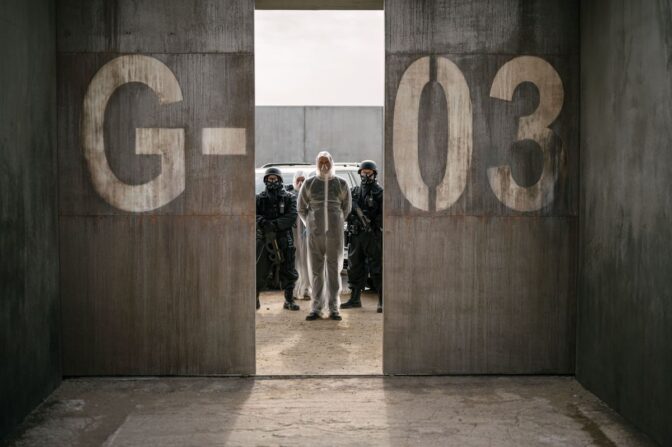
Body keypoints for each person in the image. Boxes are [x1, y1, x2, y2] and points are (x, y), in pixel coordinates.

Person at [298, 151, 352, 321]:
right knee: (316, 271)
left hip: (334, 236)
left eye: (326, 162)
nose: (323, 166)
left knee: (334, 271)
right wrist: (311, 224)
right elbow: (301, 208)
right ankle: (316, 308)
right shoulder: (309, 184)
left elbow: (346, 207)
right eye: (320, 162)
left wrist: (337, 222)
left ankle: (334, 308)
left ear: (331, 163)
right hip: (315, 236)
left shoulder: (341, 184)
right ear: (316, 164)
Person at [341, 160, 384, 313]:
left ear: (374, 174)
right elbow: (345, 211)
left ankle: (382, 300)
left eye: (369, 172)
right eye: (363, 172)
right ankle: (355, 299)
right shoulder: (354, 192)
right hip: (356, 235)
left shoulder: (380, 193)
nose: (366, 175)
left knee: (377, 268)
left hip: (372, 236)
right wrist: (353, 218)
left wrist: (372, 221)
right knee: (354, 267)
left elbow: (384, 215)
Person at [256, 167, 300, 311]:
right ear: (266, 180)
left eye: (275, 178)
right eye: (270, 178)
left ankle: (289, 300)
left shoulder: (289, 197)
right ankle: (255, 299)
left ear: (280, 180)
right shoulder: (259, 198)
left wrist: (274, 224)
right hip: (265, 239)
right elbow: (253, 214)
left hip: (284, 238)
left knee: (288, 270)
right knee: (260, 270)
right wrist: (263, 222)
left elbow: (292, 215)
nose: (272, 181)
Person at [291, 170, 311, 301]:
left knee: (307, 262)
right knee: (295, 261)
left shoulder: (311, 196)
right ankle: (294, 290)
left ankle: (307, 290)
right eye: (298, 180)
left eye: (303, 180)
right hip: (294, 233)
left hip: (308, 234)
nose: (301, 183)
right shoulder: (290, 196)